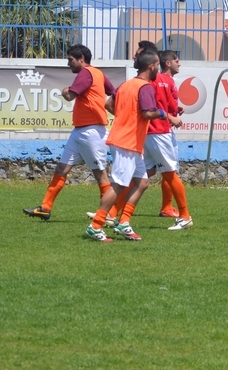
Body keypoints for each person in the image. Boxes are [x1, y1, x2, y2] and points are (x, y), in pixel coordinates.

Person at [24, 45, 115, 222]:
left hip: (91, 132)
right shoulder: (98, 73)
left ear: (81, 59)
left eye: (70, 59)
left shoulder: (86, 73)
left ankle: (109, 215)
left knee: (100, 174)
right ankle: (45, 208)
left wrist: (65, 90)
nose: (68, 63)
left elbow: (70, 95)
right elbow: (114, 92)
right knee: (62, 168)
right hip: (80, 130)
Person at [86, 51, 165, 242]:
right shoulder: (145, 87)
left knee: (142, 182)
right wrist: (163, 113)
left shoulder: (126, 84)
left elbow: (108, 104)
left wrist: (124, 118)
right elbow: (148, 113)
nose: (159, 69)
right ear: (151, 66)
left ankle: (124, 223)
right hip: (126, 142)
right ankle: (95, 225)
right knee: (119, 184)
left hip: (129, 142)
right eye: (158, 65)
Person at [144, 50, 193, 230]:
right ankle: (180, 213)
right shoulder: (165, 80)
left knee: (145, 173)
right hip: (160, 131)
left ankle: (112, 212)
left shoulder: (152, 80)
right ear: (166, 63)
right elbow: (168, 105)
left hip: (150, 131)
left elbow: (162, 104)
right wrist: (173, 112)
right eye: (176, 60)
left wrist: (172, 111)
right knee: (168, 172)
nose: (179, 64)